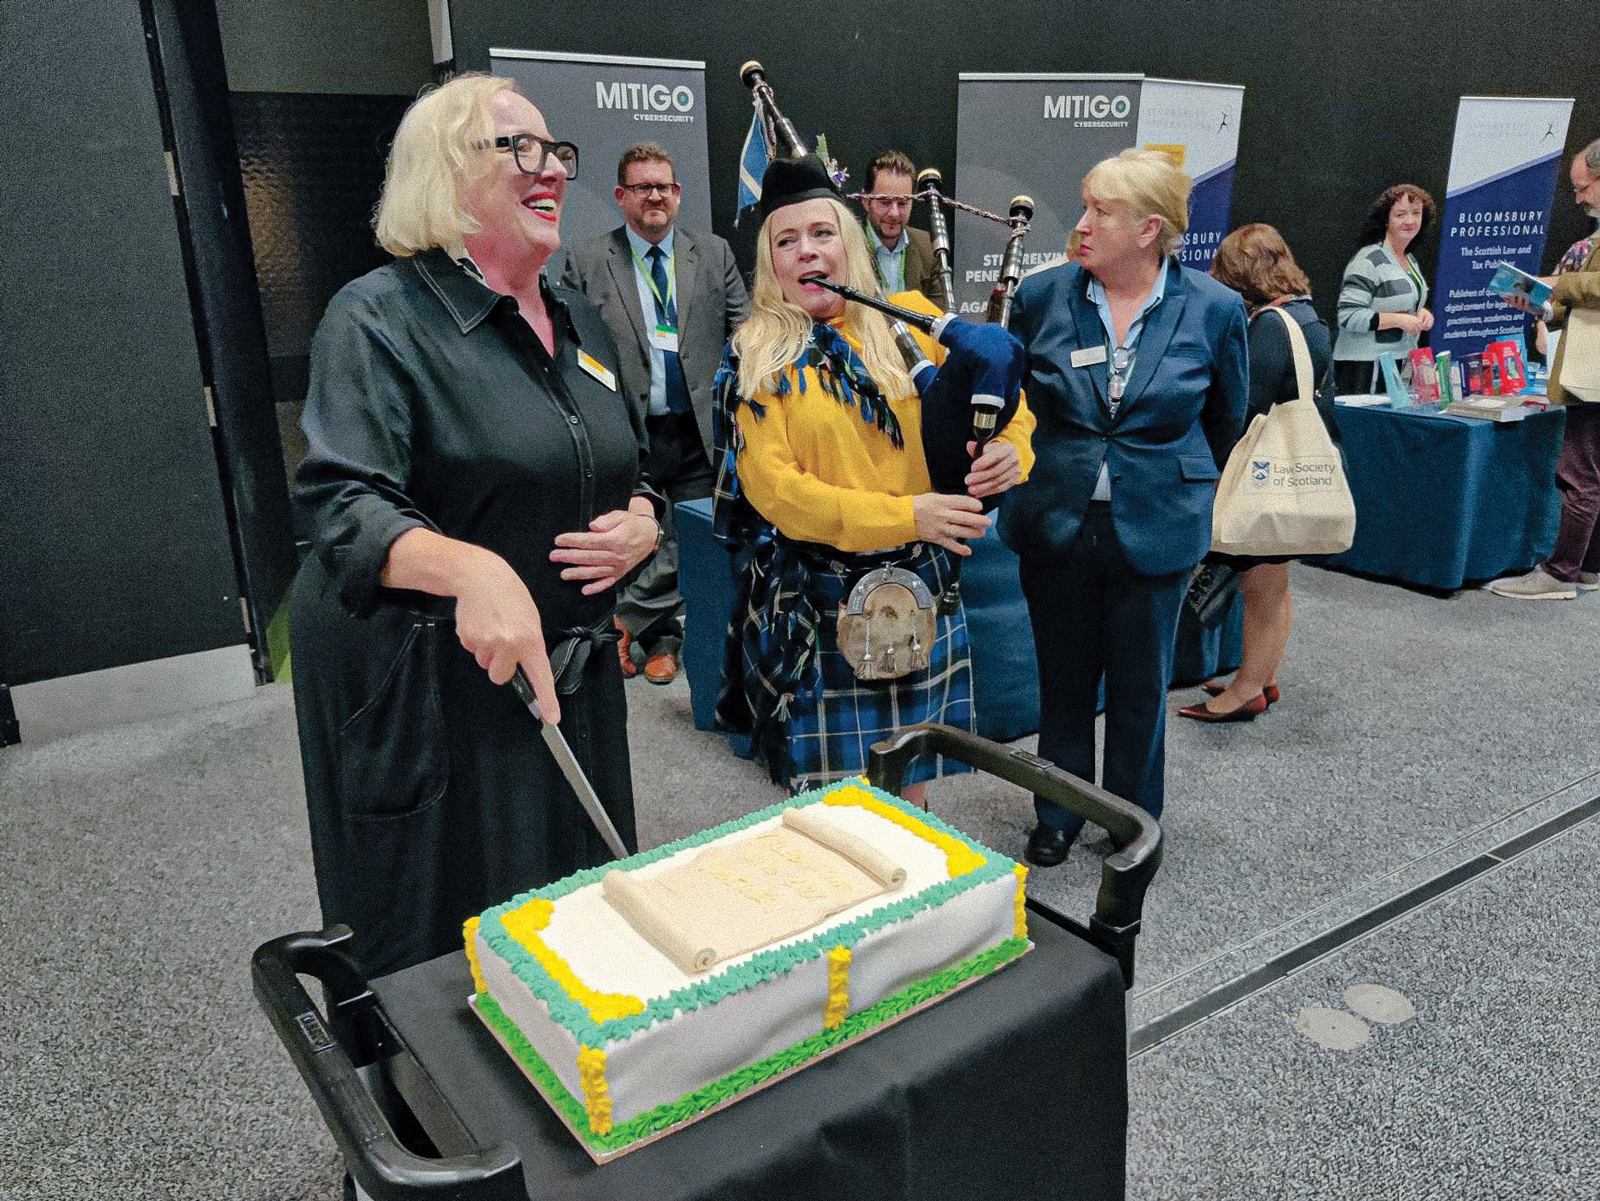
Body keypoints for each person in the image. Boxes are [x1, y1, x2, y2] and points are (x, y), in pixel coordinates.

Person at [287, 75, 661, 978]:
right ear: (444, 171)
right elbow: (342, 502)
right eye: (520, 148)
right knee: (460, 953)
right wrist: (471, 570)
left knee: (583, 930)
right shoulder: (377, 317)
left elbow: (627, 461)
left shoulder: (578, 316)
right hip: (440, 698)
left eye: (556, 151)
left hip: (573, 678)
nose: (553, 169)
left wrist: (644, 520)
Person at [713, 154, 1035, 803]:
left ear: (850, 243)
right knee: (835, 804)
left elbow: (1010, 402)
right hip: (824, 597)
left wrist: (1011, 449)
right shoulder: (756, 356)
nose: (808, 250)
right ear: (770, 263)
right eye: (786, 240)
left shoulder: (908, 316)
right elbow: (779, 493)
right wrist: (908, 516)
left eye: (822, 233)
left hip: (923, 585)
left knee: (911, 781)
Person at [998, 148, 1249, 867]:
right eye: (1085, 206)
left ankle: (1132, 821)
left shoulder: (1215, 309)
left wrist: (1172, 481)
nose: (1080, 224)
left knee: (1142, 690)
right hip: (1057, 519)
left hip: (1158, 525)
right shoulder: (1043, 297)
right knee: (1064, 683)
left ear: (1148, 229)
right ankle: (1058, 813)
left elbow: (1226, 418)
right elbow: (1014, 404)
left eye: (1100, 212)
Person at [561, 143, 749, 683]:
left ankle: (628, 621)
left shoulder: (712, 254)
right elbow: (571, 348)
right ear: (621, 196)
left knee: (694, 536)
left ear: (678, 193)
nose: (655, 197)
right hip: (627, 429)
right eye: (643, 187)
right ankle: (660, 640)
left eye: (663, 187)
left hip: (699, 429)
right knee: (637, 535)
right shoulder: (586, 260)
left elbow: (745, 331)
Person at [1181, 224, 1338, 721]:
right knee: (1275, 583)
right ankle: (1263, 675)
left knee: (1262, 589)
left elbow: (1245, 409)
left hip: (1263, 476)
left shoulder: (1270, 325)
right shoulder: (1308, 316)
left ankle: (1246, 689)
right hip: (1291, 474)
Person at [1489, 138, 1600, 601]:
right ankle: (1588, 567)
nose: (1578, 199)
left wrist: (1559, 284)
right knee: (1590, 474)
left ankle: (1560, 574)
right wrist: (1543, 307)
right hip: (1587, 368)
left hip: (1592, 375)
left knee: (1579, 477)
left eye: (1583, 187)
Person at [1331, 183, 1436, 395]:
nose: (1410, 220)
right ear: (1386, 220)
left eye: (1416, 213)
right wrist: (1400, 320)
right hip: (1365, 368)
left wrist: (1420, 314)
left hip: (1400, 361)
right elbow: (1348, 316)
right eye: (1400, 214)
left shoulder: (1409, 260)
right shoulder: (1368, 260)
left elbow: (1405, 305)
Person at [859, 150, 940, 299]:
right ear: (865, 200)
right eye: (885, 202)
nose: (894, 213)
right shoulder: (848, 245)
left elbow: (940, 310)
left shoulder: (928, 247)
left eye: (902, 203)